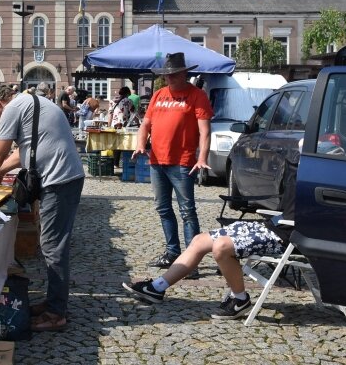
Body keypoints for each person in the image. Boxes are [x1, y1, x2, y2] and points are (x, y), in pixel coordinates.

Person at [0, 84, 85, 332]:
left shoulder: (13, 107)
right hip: (63, 178)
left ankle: (56, 313)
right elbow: (27, 150)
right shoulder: (31, 103)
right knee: (52, 244)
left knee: (53, 246)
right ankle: (54, 302)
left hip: (60, 181)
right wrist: (1, 171)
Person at [123, 166, 298, 320]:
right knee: (199, 240)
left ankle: (240, 299)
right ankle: (156, 288)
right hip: (272, 226)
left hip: (286, 236)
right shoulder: (298, 168)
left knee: (222, 246)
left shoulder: (315, 174)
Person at [133, 52, 213, 270]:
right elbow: (145, 125)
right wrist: (141, 144)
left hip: (182, 161)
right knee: (163, 208)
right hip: (157, 161)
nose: (170, 79)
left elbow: (205, 131)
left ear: (185, 74)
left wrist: (202, 157)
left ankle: (191, 260)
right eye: (167, 75)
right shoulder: (159, 95)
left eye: (174, 75)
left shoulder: (197, 96)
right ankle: (172, 252)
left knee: (187, 211)